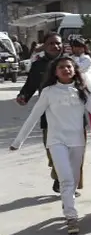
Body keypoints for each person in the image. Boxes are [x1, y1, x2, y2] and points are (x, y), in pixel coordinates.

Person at [10, 57, 91, 235]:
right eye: (61, 67)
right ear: (55, 71)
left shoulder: (82, 91)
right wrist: (17, 142)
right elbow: (34, 117)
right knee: (65, 178)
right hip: (56, 140)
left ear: (74, 70)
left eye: (69, 67)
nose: (66, 69)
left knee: (72, 181)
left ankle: (67, 202)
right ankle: (71, 217)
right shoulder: (48, 92)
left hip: (77, 141)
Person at [16, 32, 71, 194]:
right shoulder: (39, 65)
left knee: (72, 151)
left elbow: (85, 82)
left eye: (58, 43)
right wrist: (23, 96)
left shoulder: (71, 62)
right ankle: (59, 176)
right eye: (51, 44)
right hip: (49, 114)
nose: (55, 46)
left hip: (72, 114)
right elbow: (31, 84)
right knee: (53, 148)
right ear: (44, 46)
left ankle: (65, 182)